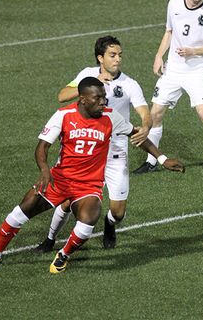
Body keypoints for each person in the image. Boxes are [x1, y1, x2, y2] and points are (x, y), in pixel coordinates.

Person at [0, 77, 184, 274]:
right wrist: (45, 171)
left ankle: (63, 255)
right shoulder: (64, 115)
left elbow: (138, 136)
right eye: (98, 98)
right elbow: (42, 147)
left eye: (104, 96)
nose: (104, 101)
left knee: (88, 221)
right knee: (19, 213)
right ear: (83, 100)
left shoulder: (111, 117)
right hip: (60, 180)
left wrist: (163, 159)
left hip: (88, 186)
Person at [34, 35, 151, 252]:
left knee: (118, 212)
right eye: (112, 55)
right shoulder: (87, 75)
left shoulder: (130, 84)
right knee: (68, 200)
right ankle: (50, 239)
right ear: (100, 58)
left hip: (115, 152)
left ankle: (109, 224)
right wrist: (91, 88)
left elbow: (144, 112)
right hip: (88, 149)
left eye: (120, 55)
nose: (118, 60)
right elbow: (62, 96)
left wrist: (146, 126)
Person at [133, 0, 203, 180]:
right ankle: (151, 162)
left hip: (197, 71)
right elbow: (169, 32)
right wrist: (159, 56)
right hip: (174, 69)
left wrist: (193, 51)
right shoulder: (174, 5)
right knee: (155, 113)